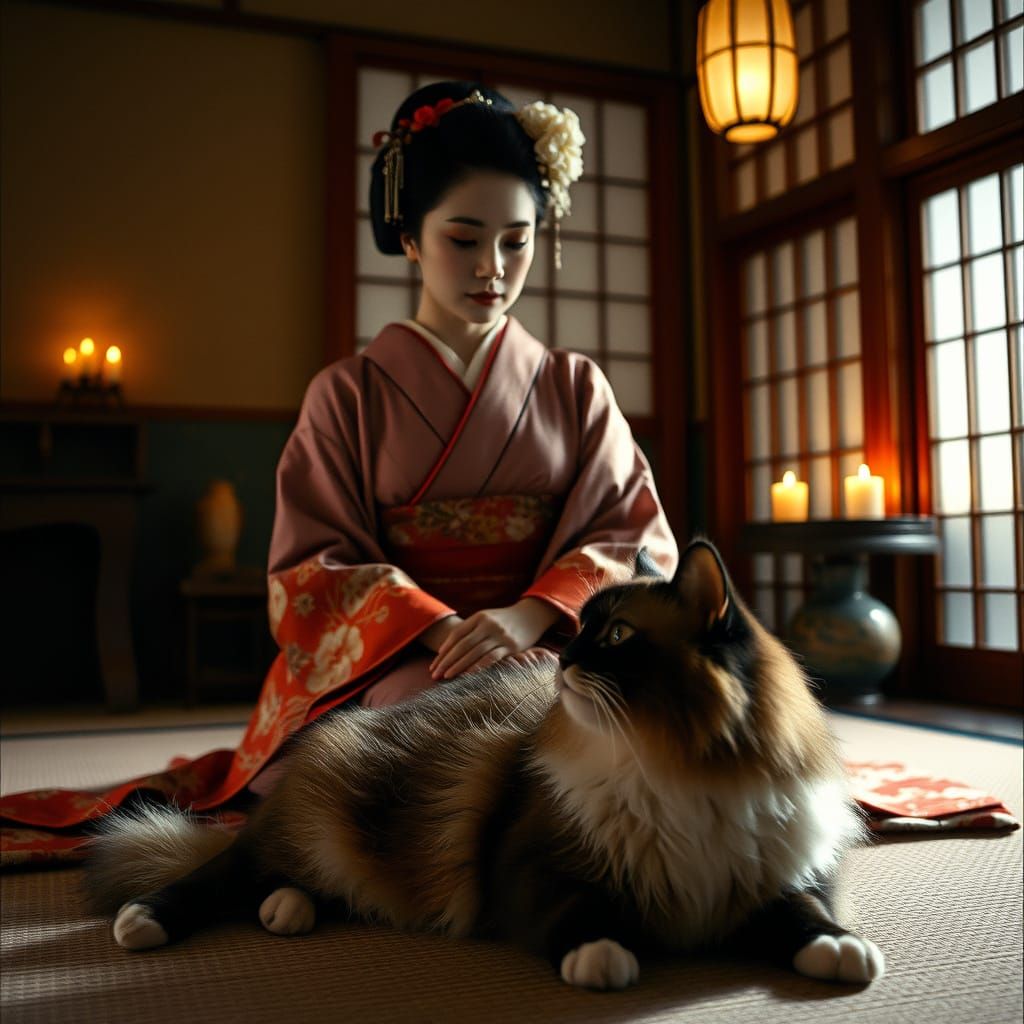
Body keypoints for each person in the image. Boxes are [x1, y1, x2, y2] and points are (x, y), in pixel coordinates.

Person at [0, 82, 677, 861]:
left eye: (516, 241)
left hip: (550, 644)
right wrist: (443, 629)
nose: (492, 268)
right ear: (411, 238)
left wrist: (526, 616)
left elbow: (631, 537)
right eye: (463, 238)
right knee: (422, 728)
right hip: (408, 659)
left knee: (587, 710)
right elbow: (313, 569)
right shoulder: (346, 395)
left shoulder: (575, 385)